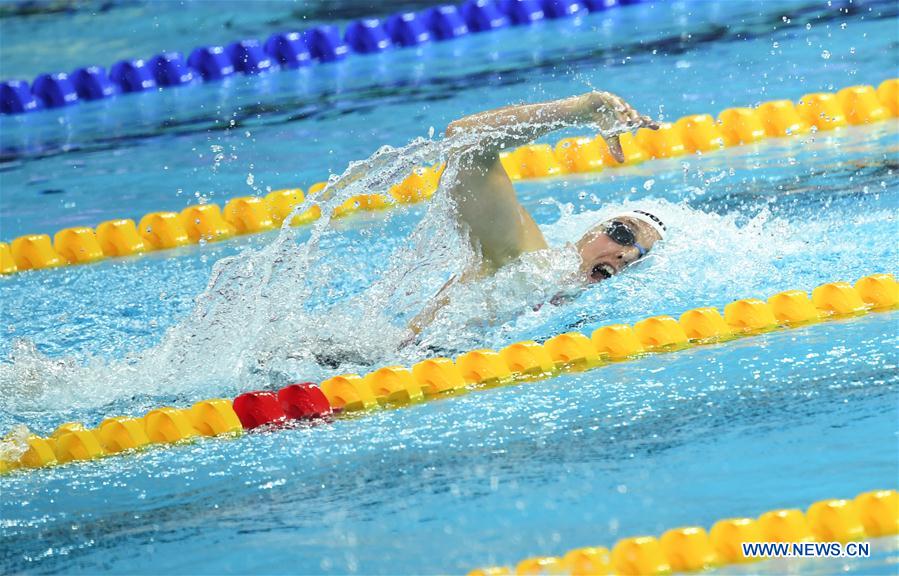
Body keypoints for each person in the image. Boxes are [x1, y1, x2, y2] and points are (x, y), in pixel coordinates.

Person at [408, 91, 667, 335]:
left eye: (642, 257)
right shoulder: (525, 264)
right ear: (590, 231)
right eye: (622, 233)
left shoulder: (582, 313)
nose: (628, 254)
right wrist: (576, 111)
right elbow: (464, 142)